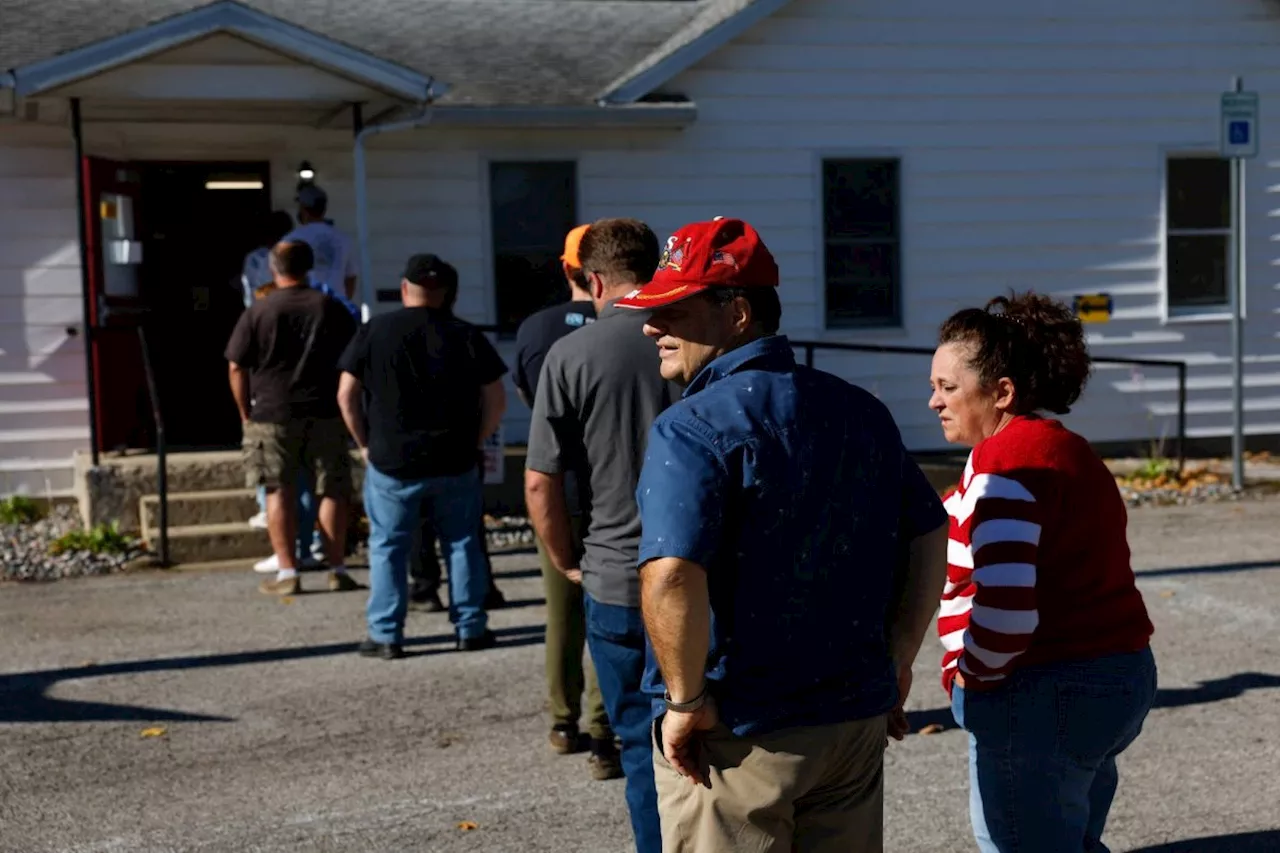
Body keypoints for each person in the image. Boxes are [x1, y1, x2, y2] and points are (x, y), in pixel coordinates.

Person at [621, 217, 950, 853]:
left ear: (737, 312)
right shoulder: (861, 410)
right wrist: (899, 657)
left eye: (673, 310)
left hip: (743, 731)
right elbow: (928, 530)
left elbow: (669, 573)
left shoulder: (688, 426)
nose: (651, 326)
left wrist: (685, 702)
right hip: (850, 718)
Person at [928, 293, 1156, 853]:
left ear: (1001, 391)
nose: (934, 401)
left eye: (948, 388)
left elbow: (1005, 611)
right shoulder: (1064, 449)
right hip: (1115, 675)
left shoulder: (1006, 464)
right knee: (1070, 836)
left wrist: (970, 677)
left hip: (1040, 689)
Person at [525, 218, 674, 852]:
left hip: (615, 573)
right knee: (718, 737)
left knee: (640, 748)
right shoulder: (692, 337)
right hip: (701, 571)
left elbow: (539, 483)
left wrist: (566, 561)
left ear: (593, 280)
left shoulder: (571, 354)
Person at [337, 254, 507, 659]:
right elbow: (496, 399)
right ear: (446, 292)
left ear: (403, 288)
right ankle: (470, 628)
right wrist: (477, 439)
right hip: (455, 459)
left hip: (391, 461)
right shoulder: (465, 334)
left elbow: (346, 393)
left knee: (388, 547)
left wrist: (363, 443)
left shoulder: (375, 330)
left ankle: (386, 635)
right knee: (462, 544)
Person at [513, 223, 616, 779]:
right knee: (609, 613)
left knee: (561, 617)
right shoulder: (629, 331)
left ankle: (562, 720)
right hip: (612, 493)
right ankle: (605, 732)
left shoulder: (535, 329)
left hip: (555, 488)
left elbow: (534, 403)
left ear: (568, 269)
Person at [225, 240, 361, 596]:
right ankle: (336, 567)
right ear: (309, 267)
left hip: (271, 410)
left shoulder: (258, 311)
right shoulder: (330, 308)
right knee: (331, 489)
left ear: (273, 269)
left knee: (277, 488)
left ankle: (288, 571)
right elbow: (355, 358)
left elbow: (237, 365)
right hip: (325, 409)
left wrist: (244, 411)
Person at [285, 184, 359, 304]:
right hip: (336, 306)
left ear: (304, 209)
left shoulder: (292, 239)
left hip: (305, 306)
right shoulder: (343, 239)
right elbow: (351, 278)